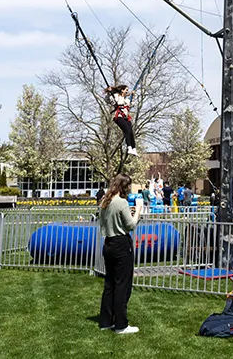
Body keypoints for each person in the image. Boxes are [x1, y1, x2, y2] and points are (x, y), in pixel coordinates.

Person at [98, 174, 143, 334]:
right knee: (122, 285)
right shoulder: (121, 202)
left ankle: (106, 321)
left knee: (110, 284)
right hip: (121, 245)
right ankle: (121, 324)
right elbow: (130, 225)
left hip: (108, 243)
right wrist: (138, 210)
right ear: (124, 187)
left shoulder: (105, 201)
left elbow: (104, 222)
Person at [104, 85, 139, 156]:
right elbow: (109, 100)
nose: (127, 91)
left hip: (125, 117)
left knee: (131, 133)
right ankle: (129, 148)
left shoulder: (126, 99)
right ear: (122, 90)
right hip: (118, 116)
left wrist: (133, 96)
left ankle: (134, 149)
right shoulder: (116, 96)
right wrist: (109, 92)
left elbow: (132, 104)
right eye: (126, 90)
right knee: (127, 131)